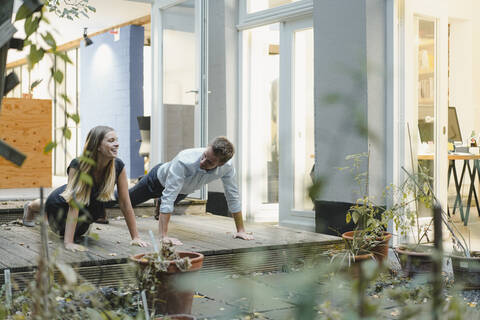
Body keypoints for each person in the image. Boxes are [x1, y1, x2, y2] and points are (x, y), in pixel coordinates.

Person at [23, 125, 149, 252]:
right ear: (97, 146)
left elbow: (125, 203)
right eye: (111, 141)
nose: (117, 144)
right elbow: (74, 204)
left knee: (80, 233)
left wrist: (136, 237)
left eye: (116, 140)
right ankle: (30, 206)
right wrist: (68, 242)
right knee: (50, 205)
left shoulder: (118, 166)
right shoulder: (78, 165)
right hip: (61, 206)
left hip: (88, 205)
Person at [126, 136, 254, 245]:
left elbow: (233, 196)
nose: (203, 162)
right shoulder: (184, 159)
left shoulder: (227, 168)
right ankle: (105, 204)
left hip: (182, 190)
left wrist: (241, 230)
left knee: (168, 199)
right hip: (156, 181)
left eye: (209, 162)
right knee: (124, 201)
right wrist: (163, 236)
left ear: (220, 164)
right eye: (204, 156)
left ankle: (159, 202)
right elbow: (169, 196)